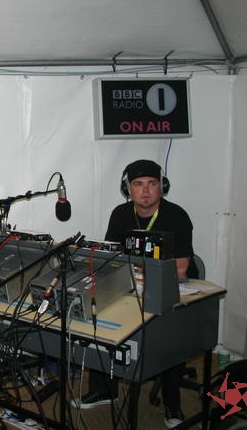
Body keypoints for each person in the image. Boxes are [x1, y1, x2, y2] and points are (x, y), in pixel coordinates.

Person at [74, 159, 195, 428]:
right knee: (99, 315)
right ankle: (105, 389)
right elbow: (112, 258)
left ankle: (172, 403)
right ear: (128, 188)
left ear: (162, 186)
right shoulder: (120, 214)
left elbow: (181, 268)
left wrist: (140, 274)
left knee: (169, 332)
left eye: (152, 184)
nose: (146, 191)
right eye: (138, 184)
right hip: (131, 283)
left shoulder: (176, 215)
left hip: (173, 285)